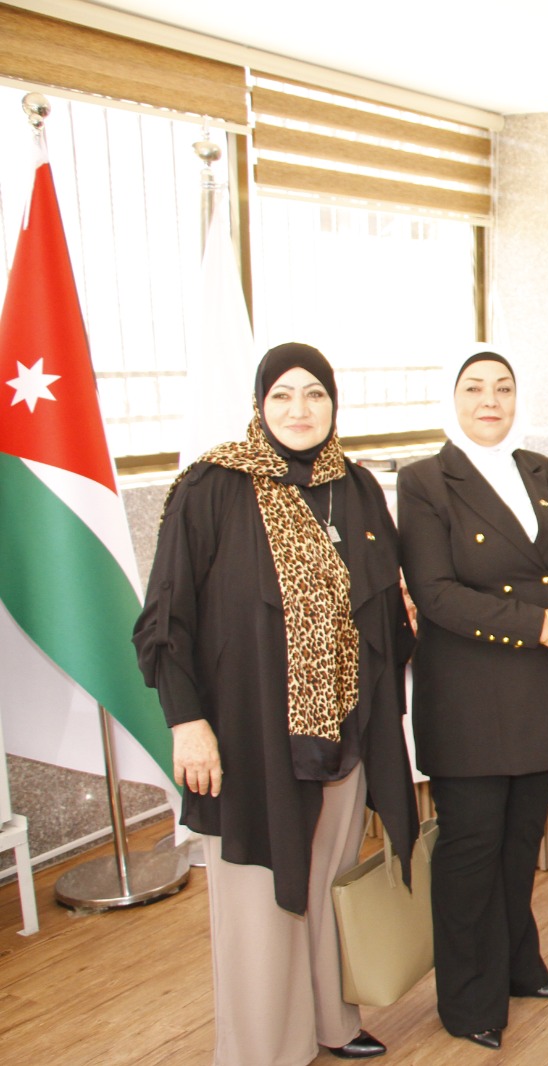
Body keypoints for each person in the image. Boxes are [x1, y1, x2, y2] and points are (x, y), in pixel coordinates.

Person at [133, 342, 418, 1065]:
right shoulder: (213, 487)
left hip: (344, 731)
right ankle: (264, 1047)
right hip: (248, 737)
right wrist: (187, 723)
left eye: (315, 394)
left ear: (334, 404)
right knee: (260, 898)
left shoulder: (356, 485)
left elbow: (384, 604)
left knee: (328, 881)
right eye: (283, 395)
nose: (299, 409)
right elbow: (166, 618)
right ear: (260, 404)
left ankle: (332, 1022)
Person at [397, 352, 548, 1050]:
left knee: (520, 843)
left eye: (504, 388)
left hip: (539, 692)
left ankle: (517, 964)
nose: (490, 400)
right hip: (469, 698)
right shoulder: (425, 480)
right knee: (471, 850)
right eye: (475, 388)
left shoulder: (543, 470)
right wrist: (541, 624)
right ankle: (467, 999)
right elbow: (435, 594)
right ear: (451, 398)